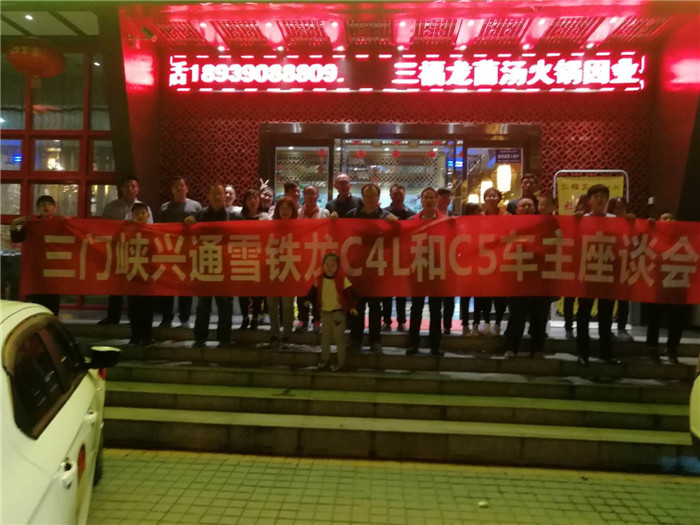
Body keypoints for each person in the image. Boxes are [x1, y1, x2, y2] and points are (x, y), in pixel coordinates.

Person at [346, 183, 397, 354]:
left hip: (377, 270)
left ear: (378, 197)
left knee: (376, 308)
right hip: (357, 269)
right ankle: (356, 339)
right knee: (357, 307)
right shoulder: (351, 216)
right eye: (366, 196)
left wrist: (396, 224)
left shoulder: (387, 217)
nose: (369, 199)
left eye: (372, 196)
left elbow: (397, 239)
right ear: (362, 197)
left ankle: (375, 340)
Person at [574, 184, 619, 366]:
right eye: (596, 196)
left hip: (607, 273)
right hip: (587, 273)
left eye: (603, 196)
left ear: (607, 200)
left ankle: (606, 353)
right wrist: (574, 223)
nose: (599, 199)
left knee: (606, 316)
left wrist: (631, 223)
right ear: (589, 200)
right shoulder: (582, 219)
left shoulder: (615, 220)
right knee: (583, 314)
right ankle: (582, 353)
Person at [98, 176, 153, 325]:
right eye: (127, 186)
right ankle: (113, 316)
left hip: (137, 252)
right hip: (117, 251)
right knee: (115, 285)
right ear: (121, 189)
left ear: (138, 189)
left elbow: (150, 229)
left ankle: (134, 318)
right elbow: (102, 227)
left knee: (134, 287)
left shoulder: (144, 208)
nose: (130, 189)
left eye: (133, 186)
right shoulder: (112, 206)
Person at [187, 183, 234, 348]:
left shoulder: (232, 216)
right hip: (205, 266)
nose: (217, 197)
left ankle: (224, 338)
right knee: (203, 305)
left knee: (225, 306)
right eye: (214, 194)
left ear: (224, 196)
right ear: (208, 196)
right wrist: (188, 223)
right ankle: (200, 338)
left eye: (220, 194)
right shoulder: (200, 216)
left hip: (225, 268)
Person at [503, 198, 551, 358]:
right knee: (517, 315)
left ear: (535, 208)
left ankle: (537, 349)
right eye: (523, 206)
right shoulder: (509, 225)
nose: (527, 208)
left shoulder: (545, 223)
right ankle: (511, 347)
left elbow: (560, 237)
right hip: (519, 277)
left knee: (540, 315)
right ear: (517, 210)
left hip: (540, 277)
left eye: (530, 205)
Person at [158, 176, 202, 328]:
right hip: (169, 251)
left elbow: (201, 228)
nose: (179, 188)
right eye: (176, 186)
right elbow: (158, 229)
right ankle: (166, 318)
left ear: (187, 188)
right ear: (172, 189)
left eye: (182, 185)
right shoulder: (164, 208)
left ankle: (184, 318)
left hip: (187, 251)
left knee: (185, 286)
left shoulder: (195, 207)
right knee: (167, 286)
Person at [407, 187, 445, 356]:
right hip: (418, 270)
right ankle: (413, 343)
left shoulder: (445, 222)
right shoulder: (411, 221)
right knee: (416, 308)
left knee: (436, 310)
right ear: (421, 200)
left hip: (437, 270)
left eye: (431, 197)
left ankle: (435, 344)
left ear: (437, 200)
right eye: (425, 197)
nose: (428, 200)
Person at [305, 252, 359, 372]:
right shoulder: (319, 279)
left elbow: (350, 293)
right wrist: (308, 299)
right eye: (327, 265)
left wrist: (352, 306)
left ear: (337, 266)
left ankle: (341, 362)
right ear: (323, 265)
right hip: (325, 313)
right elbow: (313, 291)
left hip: (338, 313)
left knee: (339, 339)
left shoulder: (342, 279)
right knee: (325, 338)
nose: (329, 268)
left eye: (333, 265)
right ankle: (325, 360)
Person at [10, 195, 62, 315]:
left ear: (54, 208)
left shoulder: (60, 223)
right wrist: (14, 224)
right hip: (36, 267)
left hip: (54, 266)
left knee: (53, 298)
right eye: (43, 205)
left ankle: (53, 322)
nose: (46, 207)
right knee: (37, 299)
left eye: (49, 204)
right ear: (38, 208)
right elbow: (17, 239)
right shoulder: (31, 223)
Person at [646, 212, 686, 364]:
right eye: (665, 218)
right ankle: (652, 348)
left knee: (677, 320)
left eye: (671, 218)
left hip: (677, 286)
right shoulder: (653, 237)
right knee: (654, 319)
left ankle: (672, 348)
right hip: (658, 286)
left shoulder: (684, 239)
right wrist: (649, 228)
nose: (668, 220)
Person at [233, 189, 270, 330]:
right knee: (242, 291)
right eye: (250, 198)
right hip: (241, 257)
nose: (253, 201)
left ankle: (255, 317)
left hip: (259, 258)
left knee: (257, 291)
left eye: (255, 198)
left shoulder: (265, 217)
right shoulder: (237, 217)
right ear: (245, 201)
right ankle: (245, 317)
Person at [381, 184, 415, 332]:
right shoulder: (383, 214)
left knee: (401, 292)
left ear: (404, 195)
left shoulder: (411, 214)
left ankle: (401, 321)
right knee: (386, 292)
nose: (398, 197)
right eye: (395, 194)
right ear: (390, 195)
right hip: (387, 257)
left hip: (403, 258)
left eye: (400, 194)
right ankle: (386, 321)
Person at [475, 188, 508, 336]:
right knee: (485, 293)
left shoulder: (507, 216)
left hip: (502, 259)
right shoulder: (479, 217)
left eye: (494, 196)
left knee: (500, 294)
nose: (491, 198)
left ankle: (498, 323)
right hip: (484, 260)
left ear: (499, 199)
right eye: (488, 196)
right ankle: (487, 321)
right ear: (484, 199)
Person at [297, 185, 329, 333]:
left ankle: (317, 320)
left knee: (317, 292)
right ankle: (302, 319)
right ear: (303, 196)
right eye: (307, 194)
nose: (310, 197)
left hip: (318, 258)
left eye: (313, 194)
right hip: (302, 259)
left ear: (317, 196)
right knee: (302, 291)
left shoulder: (324, 213)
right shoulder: (297, 213)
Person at [268, 197, 298, 348]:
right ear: (277, 210)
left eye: (288, 208)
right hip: (272, 269)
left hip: (289, 269)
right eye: (282, 207)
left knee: (287, 305)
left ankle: (287, 334)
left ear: (293, 211)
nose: (285, 211)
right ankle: (274, 333)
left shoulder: (299, 227)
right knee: (272, 304)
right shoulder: (270, 227)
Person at [126, 202, 155, 345]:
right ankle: (135, 335)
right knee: (133, 308)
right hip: (132, 275)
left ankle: (146, 336)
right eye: (136, 214)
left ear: (148, 215)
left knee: (147, 308)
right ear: (132, 216)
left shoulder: (154, 232)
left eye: (142, 213)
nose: (140, 216)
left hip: (148, 276)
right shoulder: (127, 232)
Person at [563, 194, 590, 339]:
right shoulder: (572, 220)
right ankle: (568, 327)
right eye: (582, 204)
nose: (584, 207)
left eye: (587, 204)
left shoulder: (597, 219)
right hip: (572, 264)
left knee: (585, 300)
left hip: (590, 264)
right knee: (569, 298)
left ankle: (582, 329)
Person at [606, 196, 633, 342]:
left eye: (622, 207)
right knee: (608, 300)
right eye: (616, 207)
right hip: (607, 265)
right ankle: (606, 328)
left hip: (624, 265)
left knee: (623, 299)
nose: (619, 210)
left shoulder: (630, 223)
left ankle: (621, 328)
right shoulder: (605, 222)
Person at [436, 187, 456, 334]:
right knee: (436, 298)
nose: (445, 200)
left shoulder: (455, 217)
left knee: (449, 296)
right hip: (434, 259)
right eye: (443, 197)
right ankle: (436, 325)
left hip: (450, 260)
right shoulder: (429, 216)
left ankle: (447, 325)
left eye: (448, 198)